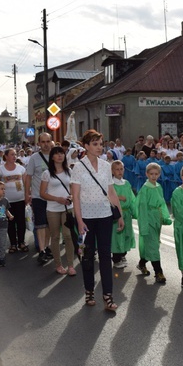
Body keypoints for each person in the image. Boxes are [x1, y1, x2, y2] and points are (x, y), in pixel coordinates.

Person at [71, 129, 124, 312]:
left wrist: (120, 213)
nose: (99, 147)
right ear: (86, 146)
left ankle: (108, 296)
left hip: (104, 216)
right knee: (86, 255)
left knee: (105, 256)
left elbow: (111, 191)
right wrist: (79, 221)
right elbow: (75, 197)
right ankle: (89, 291)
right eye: (95, 144)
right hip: (85, 218)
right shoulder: (78, 167)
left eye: (101, 144)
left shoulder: (105, 166)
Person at [39, 146, 76, 276]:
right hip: (53, 208)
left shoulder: (69, 171)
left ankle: (71, 265)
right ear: (52, 157)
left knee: (68, 236)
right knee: (55, 236)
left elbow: (73, 188)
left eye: (62, 153)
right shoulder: (47, 173)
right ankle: (58, 265)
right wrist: (57, 199)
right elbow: (42, 193)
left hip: (68, 208)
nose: (60, 156)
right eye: (57, 154)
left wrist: (71, 196)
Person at [136, 162, 172, 283]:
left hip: (157, 219)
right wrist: (144, 225)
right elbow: (141, 208)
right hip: (148, 218)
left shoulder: (158, 186)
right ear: (147, 174)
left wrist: (165, 216)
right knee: (153, 245)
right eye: (151, 174)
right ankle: (158, 272)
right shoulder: (145, 189)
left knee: (151, 244)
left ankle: (142, 263)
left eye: (156, 174)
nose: (154, 176)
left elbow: (161, 203)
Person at [24, 133, 54, 264]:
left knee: (49, 225)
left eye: (48, 141)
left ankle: (46, 247)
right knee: (40, 225)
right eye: (43, 142)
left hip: (53, 197)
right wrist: (27, 193)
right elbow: (28, 177)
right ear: (39, 143)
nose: (46, 144)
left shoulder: (56, 156)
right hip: (38, 196)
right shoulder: (34, 158)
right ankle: (41, 250)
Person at [0, 148, 27, 253]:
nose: (14, 156)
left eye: (15, 154)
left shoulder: (21, 168)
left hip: (20, 199)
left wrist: (28, 195)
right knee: (10, 222)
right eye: (12, 154)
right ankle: (13, 244)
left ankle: (21, 242)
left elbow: (25, 183)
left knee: (21, 222)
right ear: (5, 156)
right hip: (7, 201)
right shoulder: (0, 169)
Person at [110, 160, 137, 269]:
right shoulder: (110, 184)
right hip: (116, 214)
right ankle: (116, 259)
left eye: (121, 169)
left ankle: (122, 254)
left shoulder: (126, 183)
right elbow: (108, 197)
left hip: (127, 213)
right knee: (116, 236)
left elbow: (131, 199)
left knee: (127, 234)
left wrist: (135, 211)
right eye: (117, 169)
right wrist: (118, 198)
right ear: (112, 171)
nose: (120, 171)